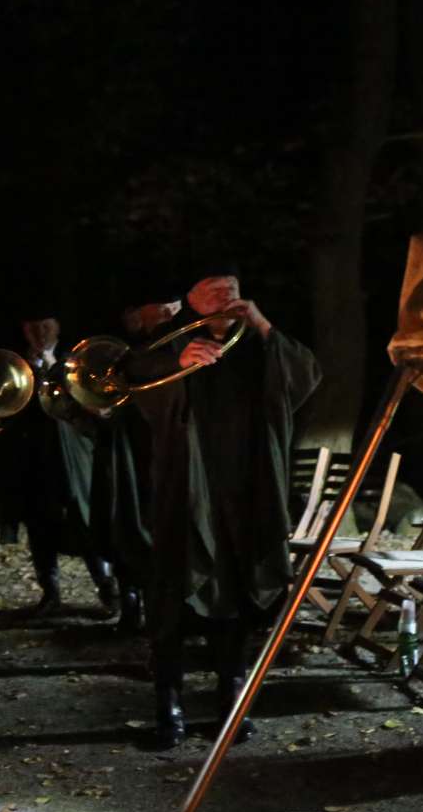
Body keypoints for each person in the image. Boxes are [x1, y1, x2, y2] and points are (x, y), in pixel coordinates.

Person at [130, 263, 320, 748]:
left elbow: (305, 376)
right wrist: (177, 366)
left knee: (238, 591)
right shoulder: (169, 341)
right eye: (213, 290)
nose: (226, 295)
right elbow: (128, 379)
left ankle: (230, 697)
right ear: (191, 298)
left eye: (232, 288)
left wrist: (262, 323)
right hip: (186, 488)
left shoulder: (259, 342)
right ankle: (167, 704)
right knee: (174, 593)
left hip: (248, 486)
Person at [0, 313, 116, 616]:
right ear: (25, 330)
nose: (41, 333)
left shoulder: (73, 363)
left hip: (73, 458)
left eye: (47, 326)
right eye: (34, 327)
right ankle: (50, 593)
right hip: (34, 459)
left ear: (58, 328)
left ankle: (108, 588)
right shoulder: (16, 367)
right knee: (39, 525)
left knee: (86, 519)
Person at [88, 292, 182, 634]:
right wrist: (99, 413)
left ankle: (163, 609)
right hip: (124, 454)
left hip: (164, 455)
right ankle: (130, 602)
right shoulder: (121, 352)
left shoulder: (179, 346)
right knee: (123, 524)